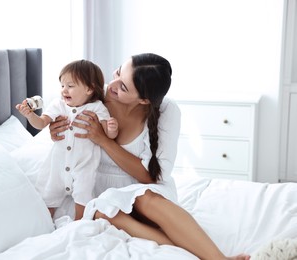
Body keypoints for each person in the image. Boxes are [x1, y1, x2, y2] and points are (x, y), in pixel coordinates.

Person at [48, 53, 250, 260]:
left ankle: (219, 258)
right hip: (99, 189)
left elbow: (154, 176)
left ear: (144, 100)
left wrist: (104, 141)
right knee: (102, 210)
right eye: (118, 72)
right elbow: (62, 128)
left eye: (123, 87)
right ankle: (196, 255)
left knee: (145, 198)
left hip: (143, 189)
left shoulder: (166, 110)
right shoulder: (93, 96)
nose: (112, 85)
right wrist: (56, 132)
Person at [16, 59, 118, 221]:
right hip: (58, 164)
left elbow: (108, 135)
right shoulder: (58, 105)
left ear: (89, 88)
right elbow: (41, 123)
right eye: (62, 85)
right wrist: (30, 115)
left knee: (83, 192)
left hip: (83, 164)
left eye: (70, 86)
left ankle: (79, 222)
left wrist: (112, 128)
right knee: (49, 193)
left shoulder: (97, 107)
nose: (64, 90)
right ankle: (45, 223)